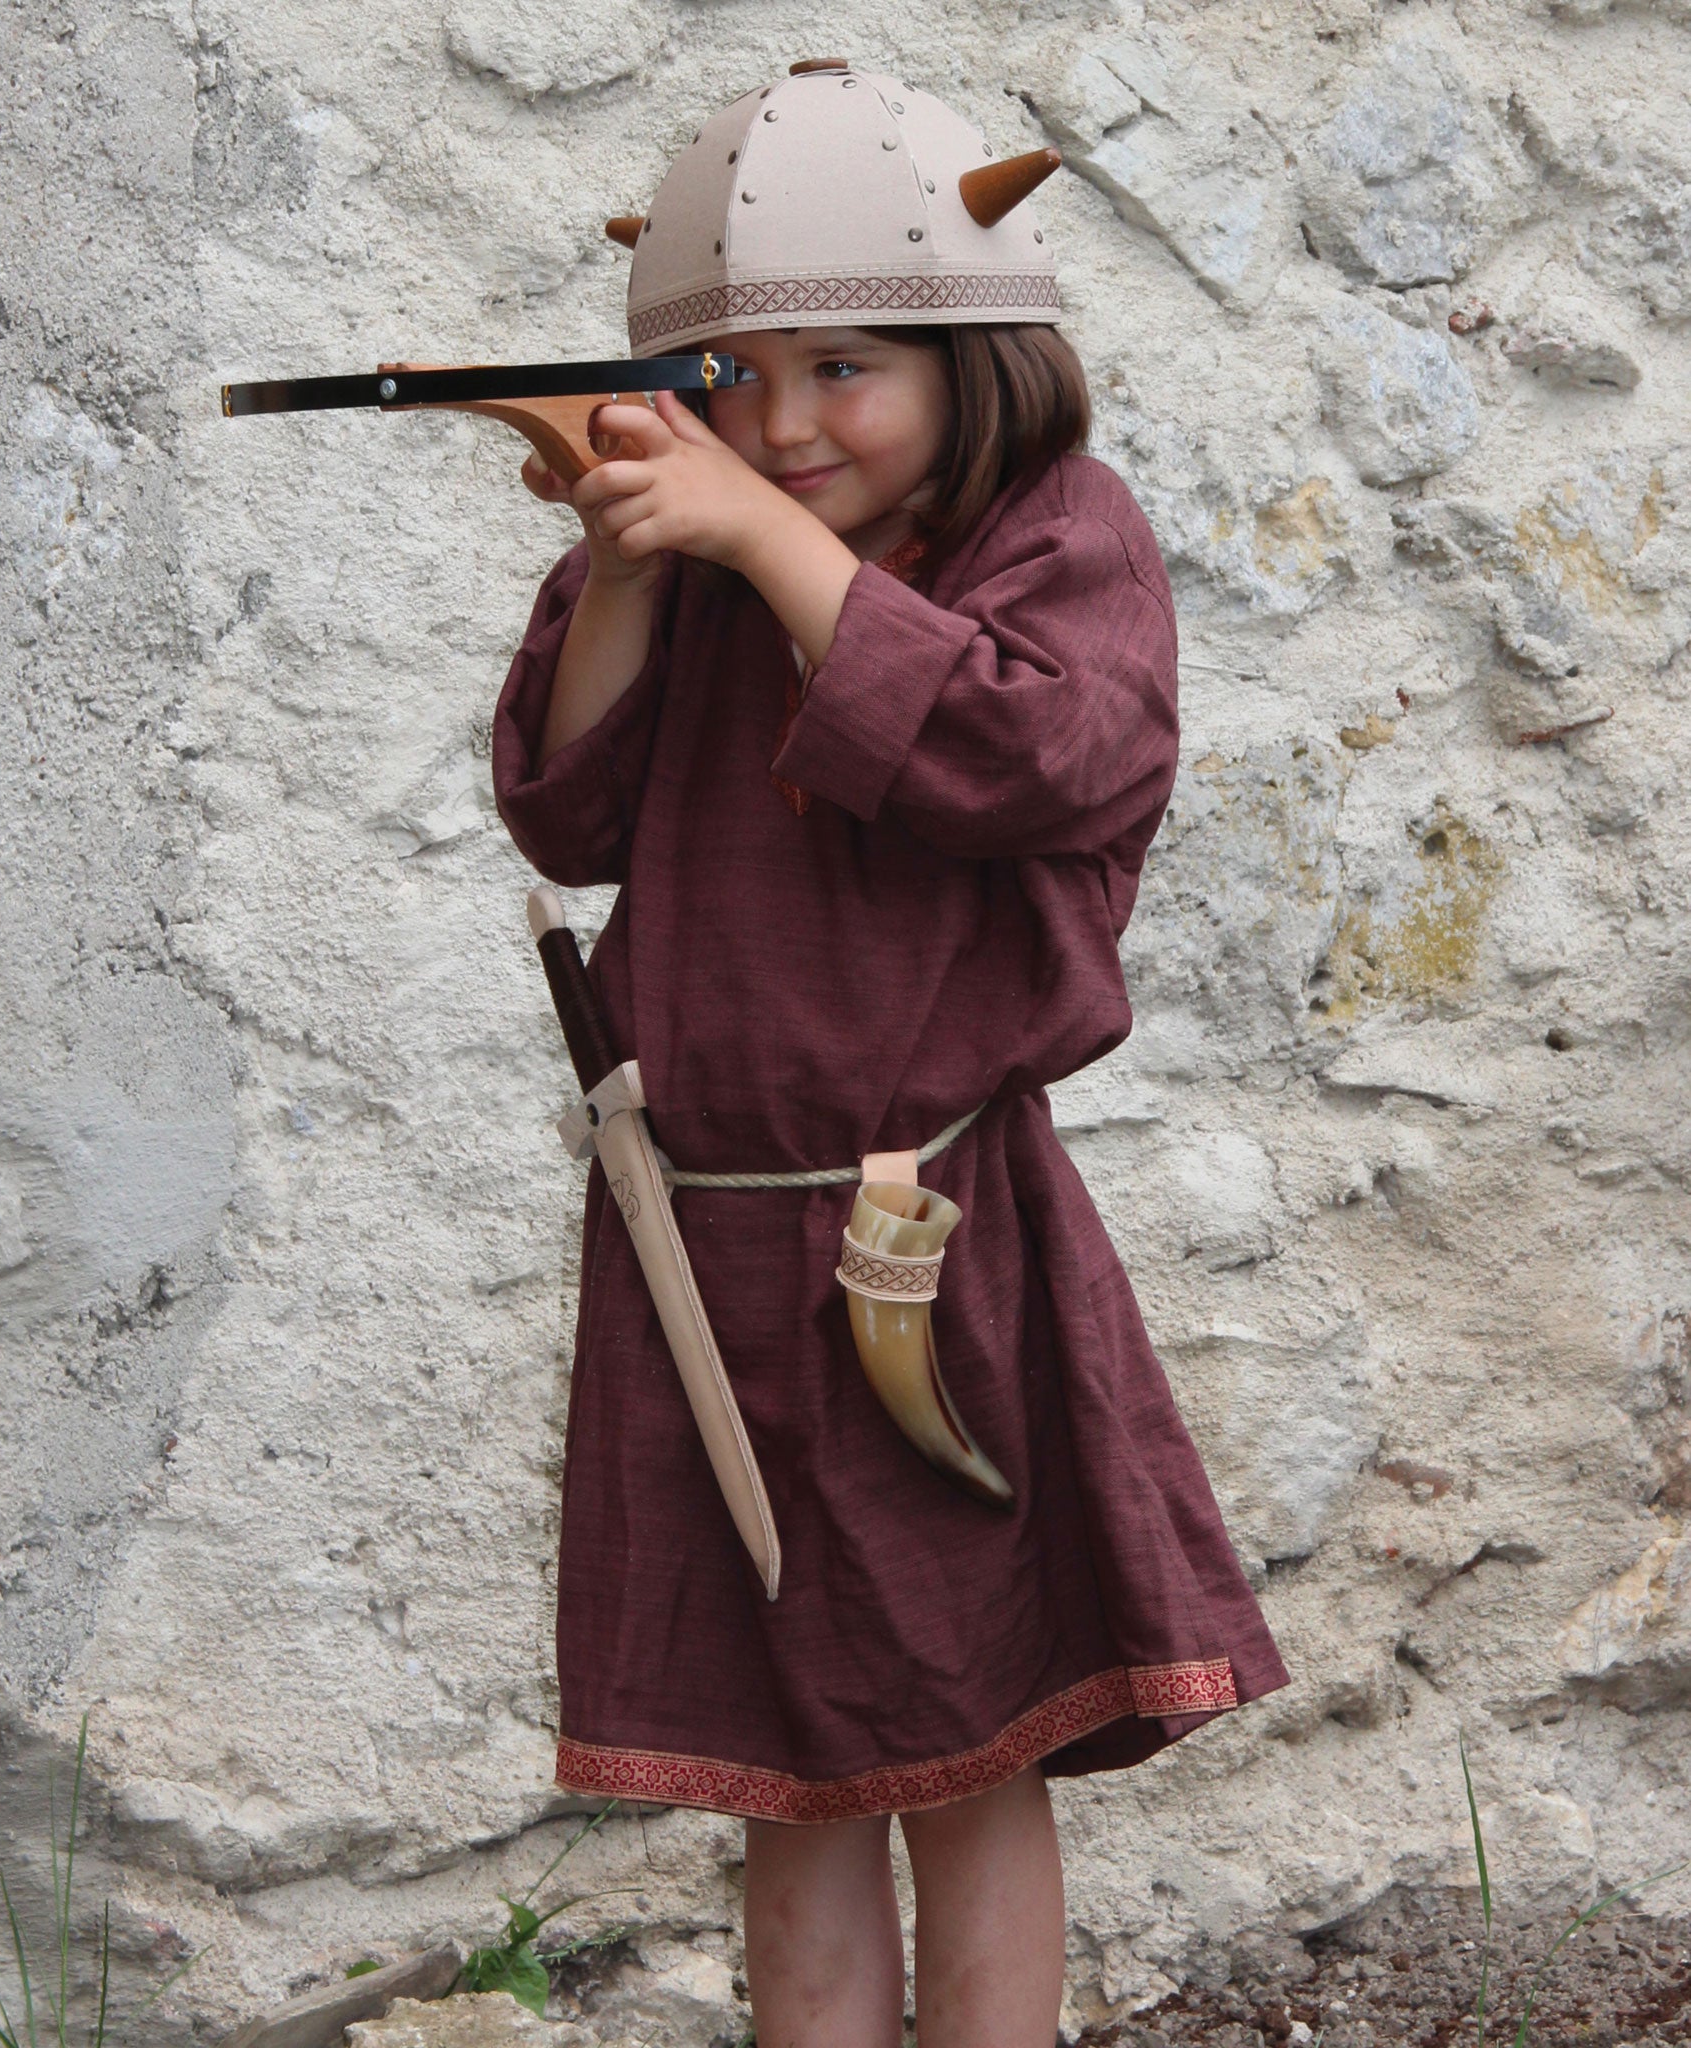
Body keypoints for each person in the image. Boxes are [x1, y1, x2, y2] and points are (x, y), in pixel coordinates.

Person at [491, 63, 1288, 2048]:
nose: (779, 422)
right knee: (791, 1757)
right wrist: (625, 555)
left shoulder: (1054, 539)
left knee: (961, 1740)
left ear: (971, 353)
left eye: (843, 365)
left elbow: (1029, 752)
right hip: (696, 1253)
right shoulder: (703, 553)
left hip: (917, 1243)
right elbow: (567, 814)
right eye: (735, 381)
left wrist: (756, 537)